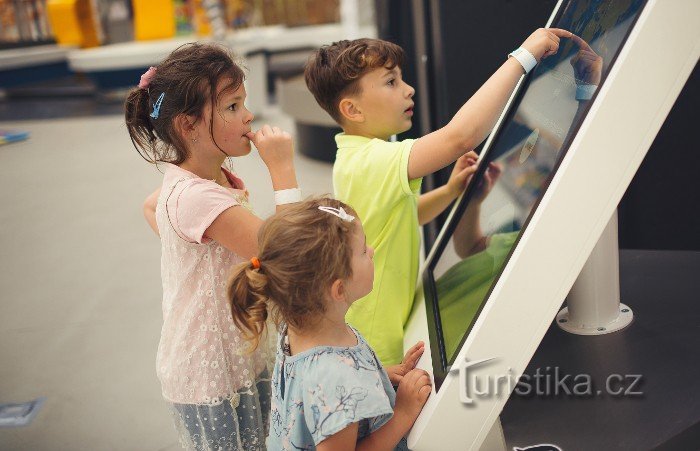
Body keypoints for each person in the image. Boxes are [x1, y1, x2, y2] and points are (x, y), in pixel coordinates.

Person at [303, 28, 572, 365]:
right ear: (353, 110)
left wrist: (450, 191)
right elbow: (459, 137)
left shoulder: (361, 155)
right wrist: (523, 58)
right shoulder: (369, 161)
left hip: (388, 323)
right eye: (391, 82)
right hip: (380, 340)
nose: (409, 89)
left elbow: (403, 214)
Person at [124, 42, 301, 450]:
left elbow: (152, 206)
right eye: (233, 106)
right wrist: (282, 168)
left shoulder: (205, 179)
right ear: (188, 126)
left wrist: (200, 261)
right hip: (211, 372)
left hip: (234, 353)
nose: (249, 115)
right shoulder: (196, 197)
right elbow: (290, 253)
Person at [228, 198, 432, 450]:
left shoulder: (297, 327)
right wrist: (402, 414)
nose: (372, 251)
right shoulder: (335, 378)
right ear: (338, 289)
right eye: (363, 251)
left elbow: (314, 395)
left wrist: (377, 377)